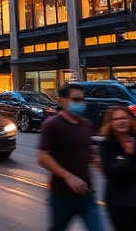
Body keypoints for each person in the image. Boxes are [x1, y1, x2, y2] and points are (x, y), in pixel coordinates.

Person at [38, 83, 103, 231]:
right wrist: (68, 176)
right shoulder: (52, 125)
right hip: (61, 196)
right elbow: (42, 157)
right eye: (76, 99)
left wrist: (96, 160)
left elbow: (87, 151)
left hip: (86, 194)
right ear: (62, 101)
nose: (80, 103)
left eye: (82, 99)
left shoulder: (86, 125)